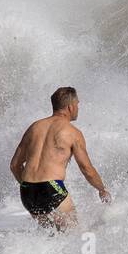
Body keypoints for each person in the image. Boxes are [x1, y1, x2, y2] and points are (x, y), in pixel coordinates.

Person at [9, 86, 110, 231]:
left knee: (51, 238)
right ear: (70, 107)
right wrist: (102, 189)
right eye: (77, 104)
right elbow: (87, 169)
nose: (78, 108)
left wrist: (30, 186)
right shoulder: (72, 132)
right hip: (52, 187)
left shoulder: (34, 127)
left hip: (27, 191)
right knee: (73, 236)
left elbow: (14, 165)